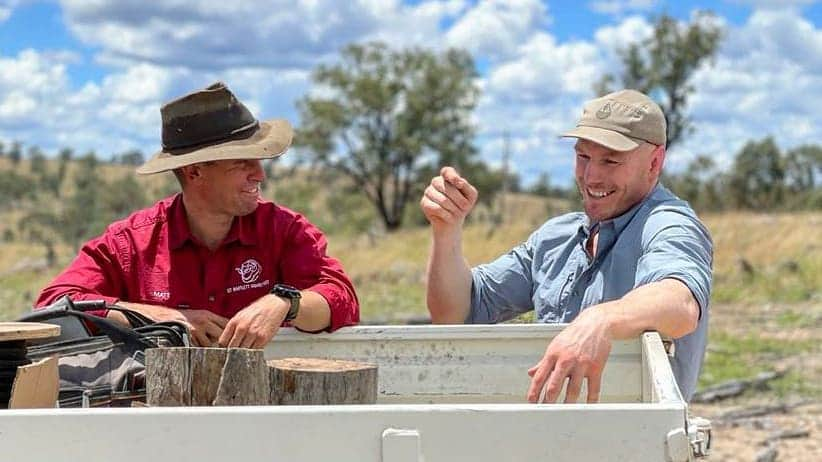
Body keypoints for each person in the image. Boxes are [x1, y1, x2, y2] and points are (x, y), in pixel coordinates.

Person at [420, 89, 712, 402]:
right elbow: (455, 312)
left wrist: (601, 320)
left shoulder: (669, 224)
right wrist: (446, 231)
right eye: (583, 156)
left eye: (611, 160)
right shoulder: (556, 237)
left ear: (655, 162)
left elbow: (680, 304)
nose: (592, 176)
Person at [36, 82, 359, 348]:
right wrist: (156, 316)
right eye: (241, 162)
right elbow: (56, 306)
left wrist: (284, 303)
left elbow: (340, 300)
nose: (259, 174)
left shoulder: (284, 229)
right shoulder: (131, 242)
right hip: (157, 412)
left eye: (258, 161)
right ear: (193, 172)